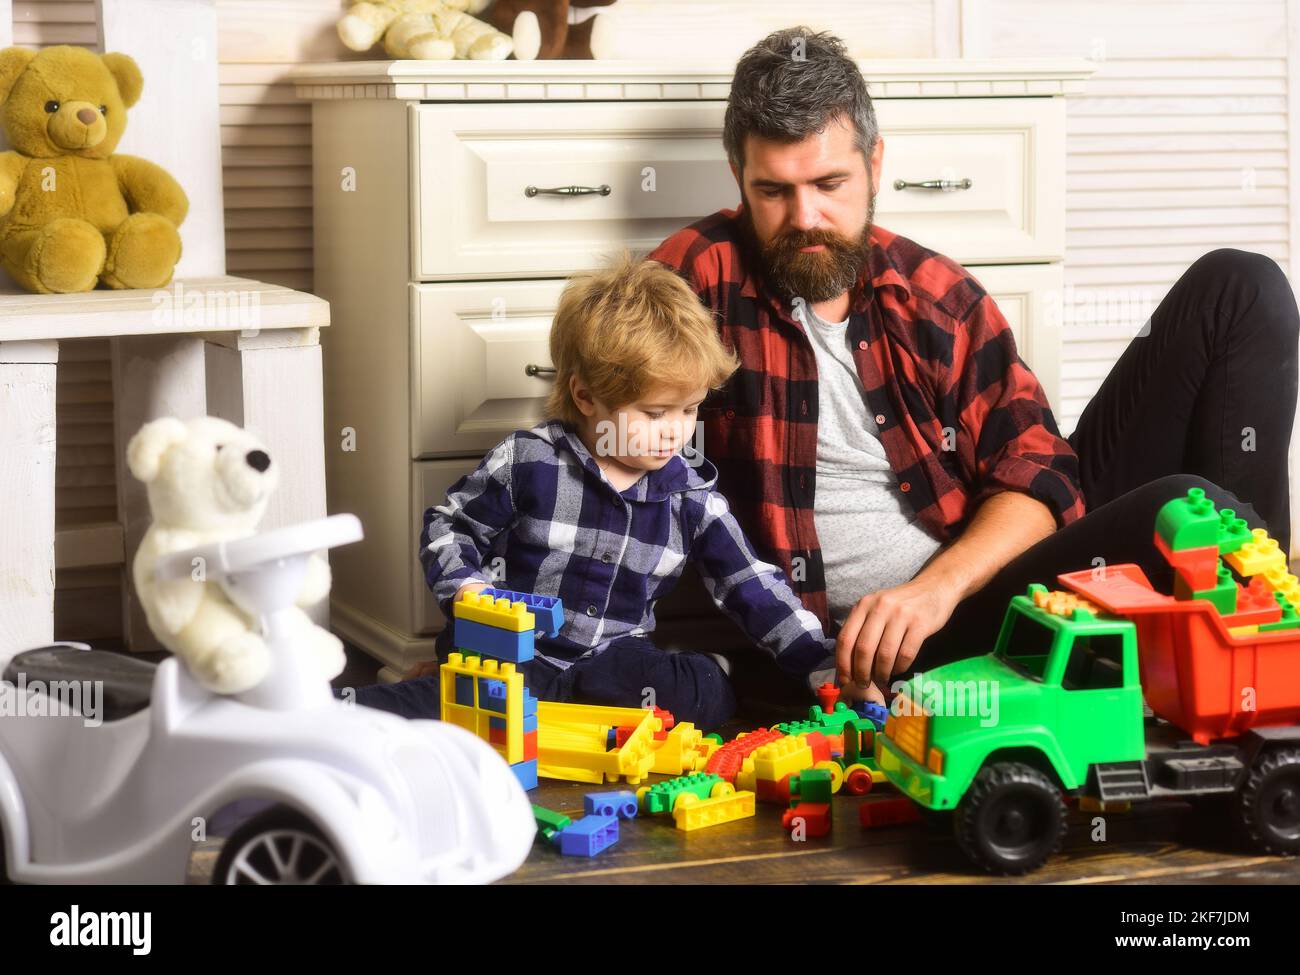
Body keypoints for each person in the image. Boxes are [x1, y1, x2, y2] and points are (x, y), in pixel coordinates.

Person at [647, 27, 1300, 703]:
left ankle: (1252, 646)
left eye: (829, 183)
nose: (805, 217)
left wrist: (935, 588)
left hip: (986, 579)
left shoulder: (931, 293)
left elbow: (1042, 473)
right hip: (908, 652)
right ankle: (1243, 656)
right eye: (774, 191)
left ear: (875, 162)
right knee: (1197, 510)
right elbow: (598, 441)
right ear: (739, 180)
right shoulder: (695, 279)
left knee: (1240, 287)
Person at [346, 252, 836, 728]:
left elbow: (750, 583)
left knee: (675, 693)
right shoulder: (530, 460)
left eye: (690, 410)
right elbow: (448, 528)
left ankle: (713, 671)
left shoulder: (691, 497)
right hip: (513, 654)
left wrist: (821, 663)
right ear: (585, 396)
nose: (676, 431)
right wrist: (469, 589)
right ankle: (339, 710)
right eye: (654, 413)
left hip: (611, 661)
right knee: (455, 702)